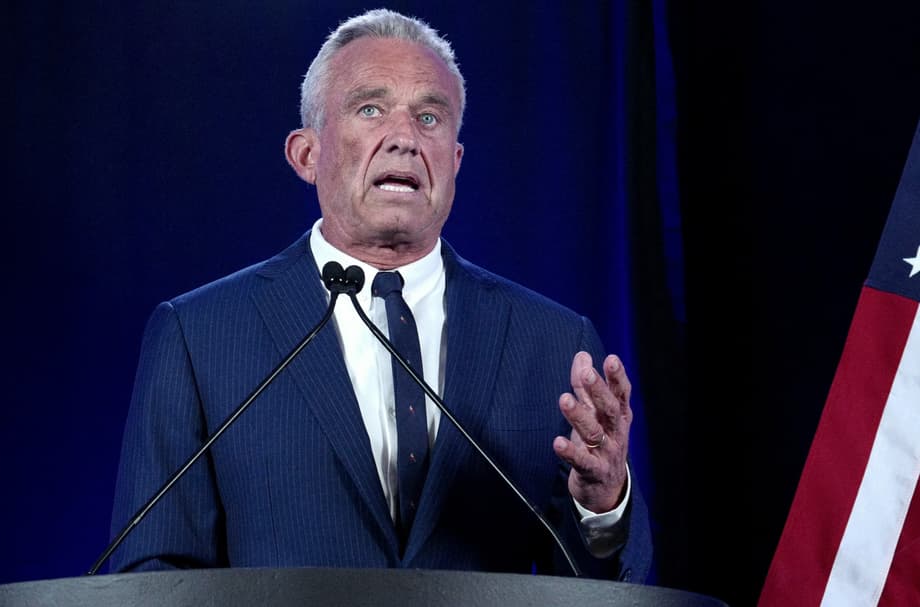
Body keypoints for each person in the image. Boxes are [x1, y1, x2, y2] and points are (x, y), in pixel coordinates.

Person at [110, 9, 651, 582]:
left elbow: (605, 587)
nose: (405, 139)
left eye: (429, 117)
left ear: (455, 162)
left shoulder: (554, 342)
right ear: (306, 154)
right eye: (370, 109)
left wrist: (602, 507)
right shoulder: (200, 335)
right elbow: (154, 575)